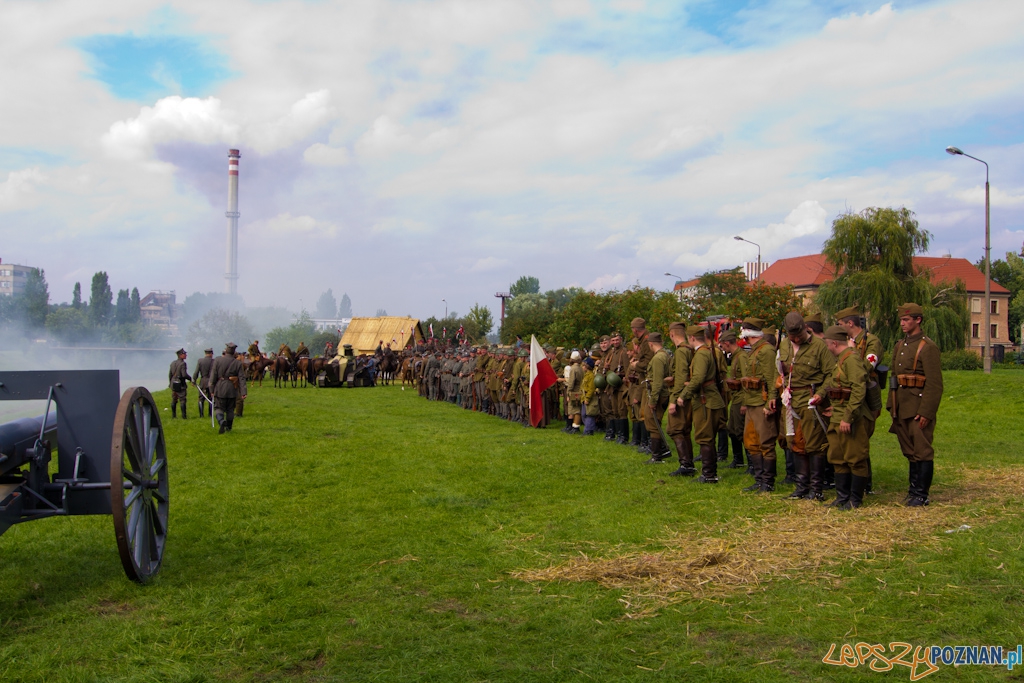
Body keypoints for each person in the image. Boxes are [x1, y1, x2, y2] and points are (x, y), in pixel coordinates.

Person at [811, 326, 874, 509]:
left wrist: (848, 417)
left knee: (855, 457)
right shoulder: (840, 360)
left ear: (834, 343)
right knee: (838, 456)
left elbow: (858, 390)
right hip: (837, 415)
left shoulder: (852, 360)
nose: (826, 347)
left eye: (827, 344)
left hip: (850, 417)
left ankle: (855, 499)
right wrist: (820, 395)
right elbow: (831, 381)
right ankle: (842, 496)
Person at [888, 302, 943, 507]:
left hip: (918, 406)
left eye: (906, 320)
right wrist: (892, 407)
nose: (902, 323)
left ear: (918, 320)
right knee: (909, 450)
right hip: (902, 406)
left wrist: (926, 412)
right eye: (901, 320)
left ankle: (921, 494)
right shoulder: (900, 346)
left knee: (922, 450)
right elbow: (894, 378)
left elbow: (935, 384)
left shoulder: (927, 347)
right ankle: (913, 490)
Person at [778, 311, 836, 501]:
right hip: (790, 399)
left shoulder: (819, 346)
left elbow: (831, 374)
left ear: (805, 329)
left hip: (811, 399)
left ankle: (816, 489)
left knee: (815, 445)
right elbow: (777, 372)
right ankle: (801, 487)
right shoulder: (785, 344)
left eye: (799, 335)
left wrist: (821, 394)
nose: (796, 339)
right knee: (795, 442)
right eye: (792, 336)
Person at [837, 305, 883, 493]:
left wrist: (851, 352)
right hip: (847, 396)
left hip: (866, 396)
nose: (839, 328)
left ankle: (865, 485)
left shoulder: (871, 341)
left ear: (850, 323)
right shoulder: (848, 341)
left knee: (862, 438)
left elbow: (866, 367)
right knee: (854, 441)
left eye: (840, 324)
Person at [681, 325, 726, 483]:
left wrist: (683, 396)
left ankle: (708, 475)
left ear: (692, 338)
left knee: (705, 437)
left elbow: (699, 378)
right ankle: (709, 473)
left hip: (705, 400)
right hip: (707, 398)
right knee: (707, 437)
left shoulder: (701, 354)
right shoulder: (706, 352)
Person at [739, 318, 779, 492]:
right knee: (751, 441)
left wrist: (771, 401)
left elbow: (772, 378)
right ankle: (759, 479)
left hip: (762, 402)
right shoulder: (754, 351)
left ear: (748, 331)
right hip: (751, 402)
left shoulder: (766, 351)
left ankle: (768, 482)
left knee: (766, 442)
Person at [666, 322, 695, 476]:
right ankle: (688, 463)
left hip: (681, 396)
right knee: (684, 430)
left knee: (676, 429)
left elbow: (681, 376)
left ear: (672, 334)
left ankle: (686, 465)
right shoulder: (688, 349)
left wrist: (674, 399)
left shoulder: (681, 351)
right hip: (686, 395)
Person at [642, 332, 672, 462]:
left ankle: (657, 455)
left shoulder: (658, 358)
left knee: (653, 423)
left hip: (658, 395)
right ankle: (660, 451)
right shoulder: (664, 355)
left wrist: (653, 400)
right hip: (660, 393)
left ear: (650, 344)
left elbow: (658, 381)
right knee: (653, 422)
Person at [628, 318, 655, 452]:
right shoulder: (644, 341)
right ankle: (647, 443)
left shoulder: (646, 342)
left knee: (646, 414)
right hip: (643, 382)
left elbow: (648, 363)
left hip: (647, 382)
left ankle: (651, 443)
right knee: (643, 413)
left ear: (635, 329)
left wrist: (635, 365)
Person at [210, 342, 247, 434]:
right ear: (234, 352)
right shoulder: (237, 363)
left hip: (220, 387)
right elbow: (242, 378)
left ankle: (221, 421)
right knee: (230, 409)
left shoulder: (217, 360)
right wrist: (243, 392)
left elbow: (213, 376)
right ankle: (229, 427)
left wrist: (211, 389)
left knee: (219, 408)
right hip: (231, 388)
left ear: (226, 350)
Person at [168, 348, 191, 418]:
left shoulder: (172, 363)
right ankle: (184, 416)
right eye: (184, 354)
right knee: (182, 400)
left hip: (173, 383)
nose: (186, 355)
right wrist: (190, 378)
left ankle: (173, 416)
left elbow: (170, 374)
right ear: (180, 355)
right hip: (180, 383)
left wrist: (170, 383)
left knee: (174, 399)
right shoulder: (183, 363)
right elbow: (184, 375)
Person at [192, 348, 215, 418]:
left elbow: (196, 372)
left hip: (203, 381)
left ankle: (201, 415)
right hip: (211, 382)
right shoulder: (214, 361)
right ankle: (210, 414)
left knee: (201, 399)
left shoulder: (200, 361)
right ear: (211, 353)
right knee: (211, 398)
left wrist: (194, 381)